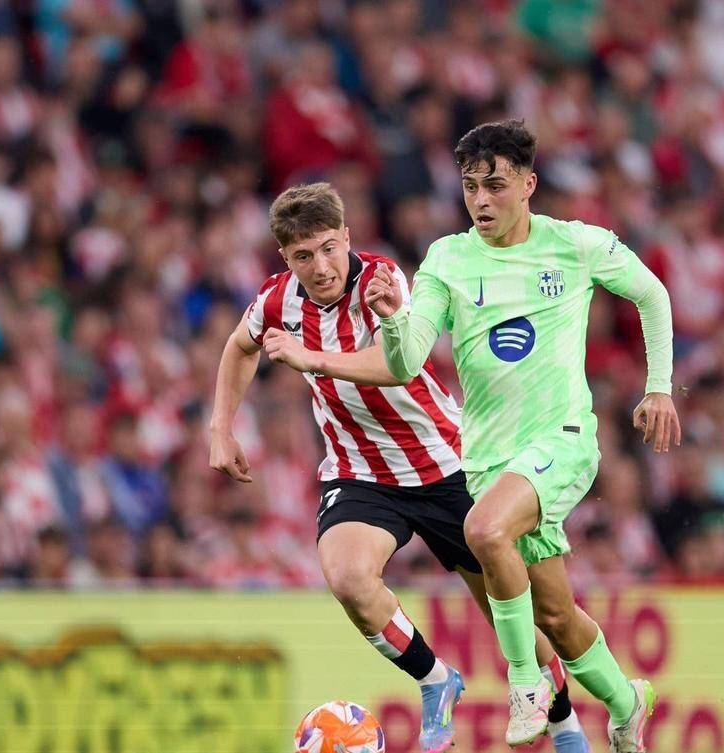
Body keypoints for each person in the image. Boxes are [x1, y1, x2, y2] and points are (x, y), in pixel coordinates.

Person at [209, 183, 591, 753]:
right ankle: (436, 680)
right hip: (359, 472)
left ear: (347, 238)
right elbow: (239, 347)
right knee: (347, 577)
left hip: (446, 464)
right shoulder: (275, 301)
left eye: (329, 249)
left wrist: (312, 359)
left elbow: (396, 364)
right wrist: (221, 427)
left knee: (511, 617)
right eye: (303, 256)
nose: (321, 267)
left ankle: (565, 728)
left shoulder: (382, 280)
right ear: (284, 257)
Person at [364, 120, 680, 752]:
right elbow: (406, 361)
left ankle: (525, 682)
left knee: (483, 531)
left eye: (496, 186)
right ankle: (627, 704)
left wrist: (659, 386)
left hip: (563, 439)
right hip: (489, 460)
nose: (481, 200)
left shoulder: (576, 244)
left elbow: (651, 294)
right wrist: (395, 320)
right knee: (556, 615)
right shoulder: (447, 259)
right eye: (470, 187)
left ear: (529, 185)